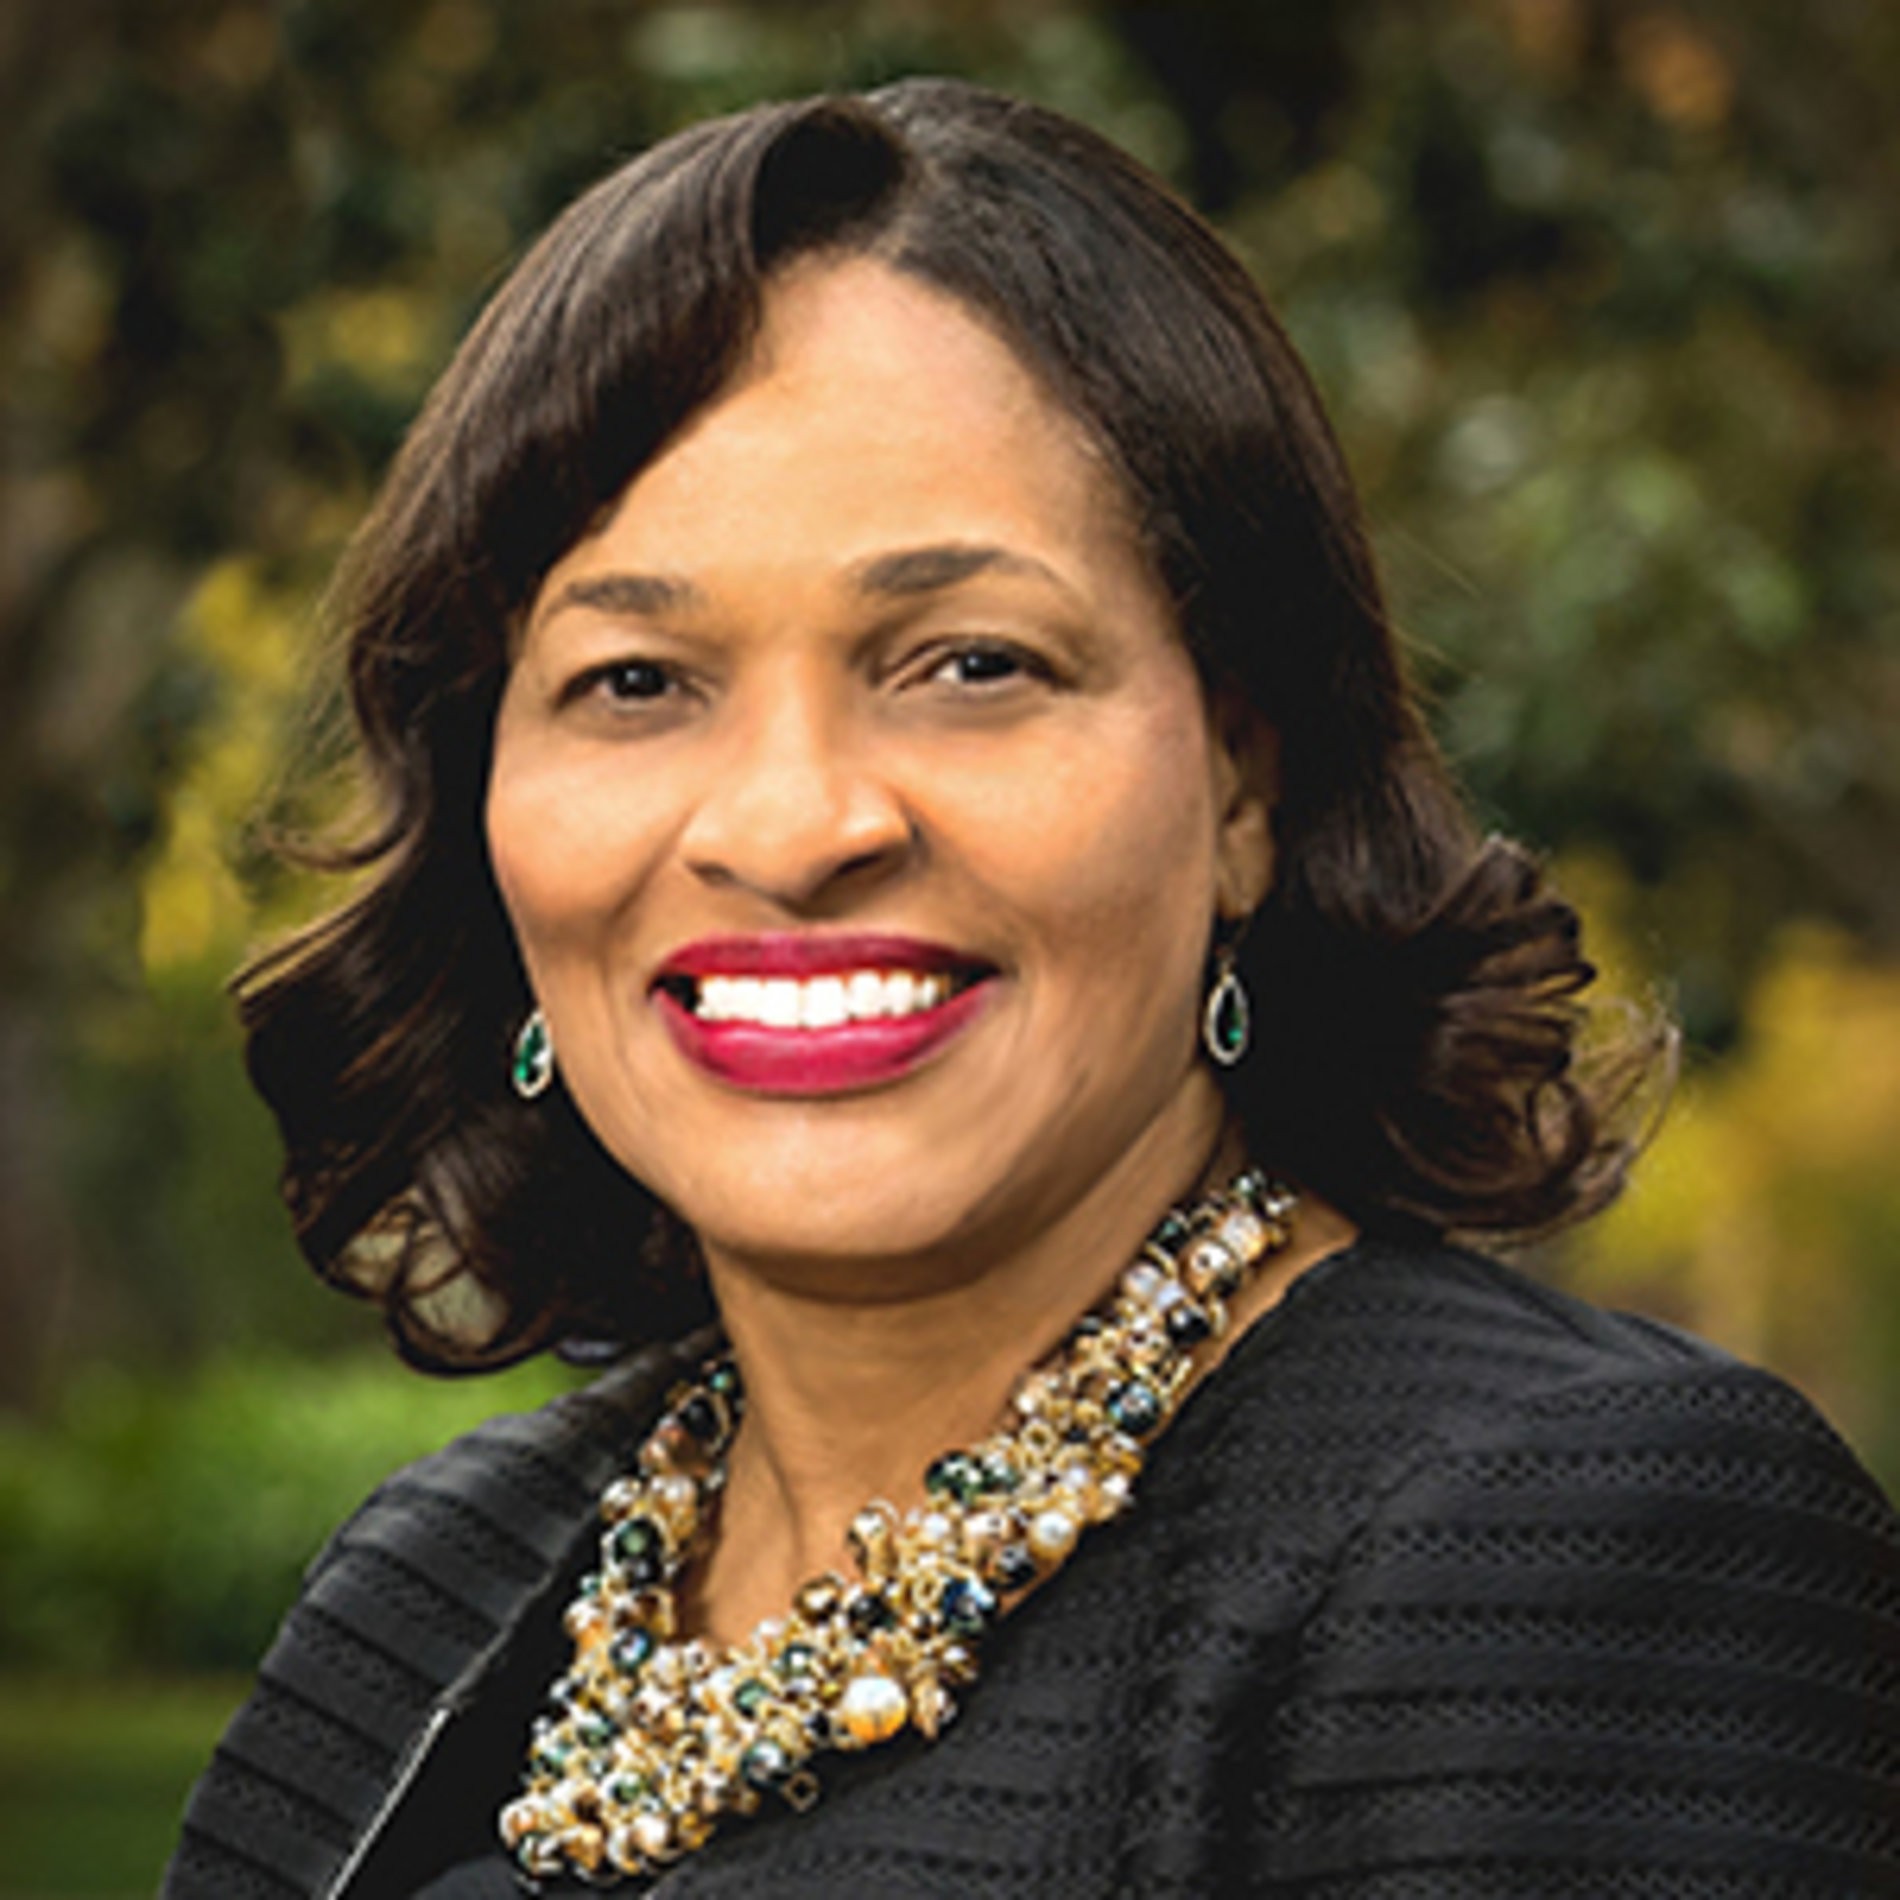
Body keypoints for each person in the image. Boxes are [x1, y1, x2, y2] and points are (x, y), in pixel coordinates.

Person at [164, 79, 1899, 1899]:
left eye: (971, 663)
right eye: (636, 682)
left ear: (1243, 782)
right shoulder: (424, 1600)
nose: (795, 827)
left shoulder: (1564, 1555)